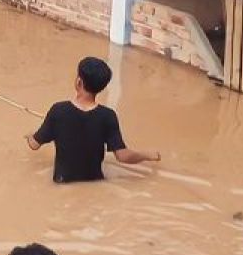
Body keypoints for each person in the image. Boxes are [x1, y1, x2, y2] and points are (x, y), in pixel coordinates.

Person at [26, 57, 160, 183]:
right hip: (95, 181)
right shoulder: (108, 116)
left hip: (62, 182)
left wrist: (30, 136)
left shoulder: (58, 110)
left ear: (79, 82)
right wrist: (147, 155)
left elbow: (34, 145)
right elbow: (123, 156)